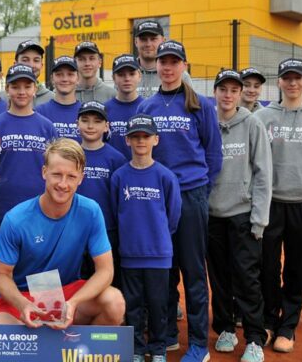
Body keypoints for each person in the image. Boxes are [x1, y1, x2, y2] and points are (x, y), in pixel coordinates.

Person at [137, 40, 222, 362]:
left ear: (185, 65)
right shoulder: (147, 107)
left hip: (190, 196)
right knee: (165, 270)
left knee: (193, 271)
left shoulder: (200, 104)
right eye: (163, 62)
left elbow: (213, 154)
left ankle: (199, 344)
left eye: (174, 62)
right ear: (156, 66)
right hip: (157, 199)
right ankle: (168, 335)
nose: (168, 67)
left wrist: (198, 187)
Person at [0, 138, 125, 328]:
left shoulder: (91, 211)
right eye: (57, 174)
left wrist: (73, 303)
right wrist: (23, 304)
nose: (63, 184)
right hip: (23, 296)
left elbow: (106, 270)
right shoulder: (16, 219)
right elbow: (1, 275)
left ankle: (81, 354)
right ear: (44, 172)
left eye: (71, 176)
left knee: (114, 301)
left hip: (69, 293)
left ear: (81, 177)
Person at [253, 58, 302, 353]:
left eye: (297, 78)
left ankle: (288, 325)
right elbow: (255, 166)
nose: (292, 82)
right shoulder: (263, 118)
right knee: (268, 268)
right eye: (286, 77)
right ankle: (268, 320)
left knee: (297, 269)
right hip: (270, 204)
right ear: (280, 82)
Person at [0, 63, 58, 320]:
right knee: (1, 275)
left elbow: (55, 169)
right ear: (7, 89)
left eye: (27, 86)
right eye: (16, 86)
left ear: (35, 89)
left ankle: (46, 332)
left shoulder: (47, 127)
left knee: (42, 277)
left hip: (41, 216)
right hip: (2, 215)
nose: (22, 91)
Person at [206, 70, 271, 362]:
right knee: (219, 278)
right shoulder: (206, 122)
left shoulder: (253, 124)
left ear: (240, 93)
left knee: (247, 277)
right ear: (216, 92)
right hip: (211, 215)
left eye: (234, 89)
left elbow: (262, 173)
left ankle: (255, 337)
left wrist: (259, 218)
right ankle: (225, 328)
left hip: (243, 214)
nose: (229, 95)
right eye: (223, 89)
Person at [111, 114, 182, 362]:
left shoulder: (165, 176)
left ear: (156, 139)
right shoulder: (119, 176)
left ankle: (159, 348)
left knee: (158, 304)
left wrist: (159, 238)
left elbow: (173, 216)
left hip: (159, 254)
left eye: (145, 136)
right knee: (133, 305)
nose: (141, 141)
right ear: (127, 140)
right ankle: (138, 349)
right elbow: (115, 210)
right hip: (130, 253)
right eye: (135, 137)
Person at [75, 101, 127, 286]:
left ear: (106, 127)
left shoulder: (116, 158)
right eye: (85, 120)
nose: (90, 126)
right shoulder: (70, 154)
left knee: (106, 281)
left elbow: (120, 200)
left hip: (106, 230)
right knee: (76, 280)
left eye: (97, 121)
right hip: (73, 229)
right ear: (77, 123)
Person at [132, 21, 192, 98]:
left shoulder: (180, 75)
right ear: (136, 42)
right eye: (143, 39)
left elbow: (191, 103)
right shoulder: (127, 72)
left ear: (163, 40)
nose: (148, 44)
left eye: (153, 39)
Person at [105, 54, 144, 159]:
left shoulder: (147, 108)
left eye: (132, 74)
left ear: (139, 76)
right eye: (121, 75)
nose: (127, 79)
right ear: (113, 78)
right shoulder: (104, 110)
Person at [36, 56, 82, 142]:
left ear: (78, 79)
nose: (65, 79)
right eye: (59, 74)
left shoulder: (87, 112)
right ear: (52, 79)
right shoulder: (40, 112)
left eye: (70, 74)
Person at [14, 39, 54, 106]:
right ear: (15, 64)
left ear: (41, 65)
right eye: (25, 60)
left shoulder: (52, 99)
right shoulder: (3, 98)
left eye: (36, 60)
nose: (31, 65)